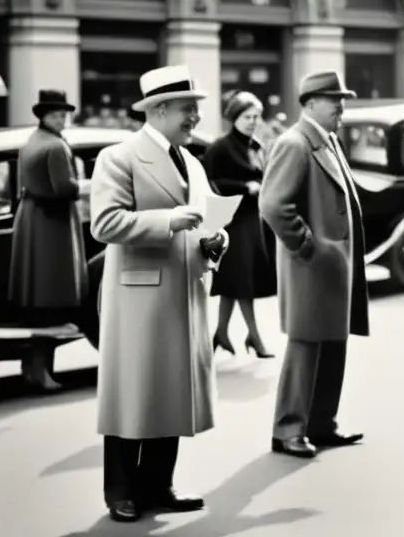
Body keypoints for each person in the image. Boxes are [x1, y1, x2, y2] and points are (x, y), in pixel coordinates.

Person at [90, 65, 228, 523]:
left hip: (183, 292)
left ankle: (158, 484)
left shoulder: (191, 160)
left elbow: (204, 219)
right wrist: (168, 221)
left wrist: (215, 241)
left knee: (171, 392)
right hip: (140, 298)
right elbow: (105, 223)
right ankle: (121, 492)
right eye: (189, 108)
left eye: (196, 108)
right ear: (160, 109)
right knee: (133, 395)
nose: (195, 116)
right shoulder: (119, 157)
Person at [260, 71, 369, 460]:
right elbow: (273, 204)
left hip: (330, 267)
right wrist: (308, 246)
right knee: (305, 347)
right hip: (311, 266)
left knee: (332, 344)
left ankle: (321, 424)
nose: (341, 105)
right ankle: (288, 429)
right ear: (308, 104)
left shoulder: (326, 140)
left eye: (342, 97)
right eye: (333, 98)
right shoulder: (295, 143)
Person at [8, 89, 90, 392]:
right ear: (44, 116)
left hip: (33, 220)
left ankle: (31, 368)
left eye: (64, 115)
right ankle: (42, 372)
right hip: (52, 226)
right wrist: (90, 185)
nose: (62, 120)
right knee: (51, 301)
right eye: (56, 115)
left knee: (38, 301)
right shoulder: (55, 146)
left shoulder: (31, 141)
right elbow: (64, 189)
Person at [206, 91, 276, 359]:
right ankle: (255, 338)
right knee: (242, 281)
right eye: (247, 116)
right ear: (234, 117)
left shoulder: (255, 146)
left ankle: (222, 333)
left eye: (256, 117)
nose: (252, 121)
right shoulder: (219, 147)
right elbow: (212, 183)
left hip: (252, 221)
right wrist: (244, 187)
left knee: (235, 281)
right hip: (231, 223)